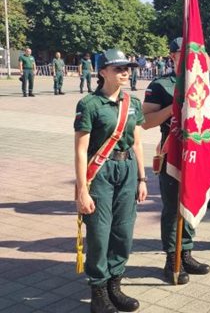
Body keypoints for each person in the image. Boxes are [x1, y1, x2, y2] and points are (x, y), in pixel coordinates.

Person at [74, 48, 146, 313]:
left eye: (127, 67)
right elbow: (81, 150)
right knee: (100, 233)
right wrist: (82, 189)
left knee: (124, 231)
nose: (125, 72)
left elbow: (137, 142)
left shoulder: (133, 103)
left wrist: (141, 177)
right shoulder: (89, 104)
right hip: (101, 171)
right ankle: (99, 290)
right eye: (118, 68)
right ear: (102, 72)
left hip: (127, 169)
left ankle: (115, 284)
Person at [142, 38, 210, 285]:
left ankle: (187, 252)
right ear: (172, 56)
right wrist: (173, 108)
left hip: (195, 153)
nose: (190, 56)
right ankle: (173, 259)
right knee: (172, 209)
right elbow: (145, 121)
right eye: (184, 53)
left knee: (191, 201)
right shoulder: (160, 85)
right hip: (172, 154)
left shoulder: (200, 82)